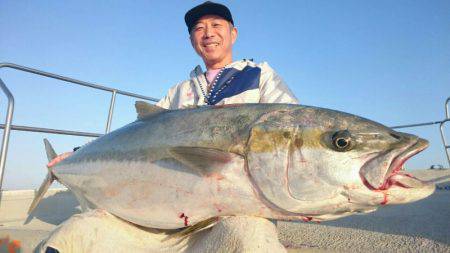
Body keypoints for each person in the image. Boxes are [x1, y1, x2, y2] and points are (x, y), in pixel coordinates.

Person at [47, 1, 298, 166]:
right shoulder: (179, 91)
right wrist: (79, 152)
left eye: (216, 25)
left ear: (233, 34)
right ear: (191, 40)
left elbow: (293, 128)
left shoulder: (259, 74)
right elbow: (138, 133)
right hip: (184, 197)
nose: (208, 33)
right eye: (199, 29)